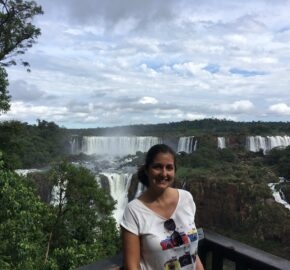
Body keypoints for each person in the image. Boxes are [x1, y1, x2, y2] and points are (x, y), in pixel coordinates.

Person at [121, 144, 204, 270]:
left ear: (174, 171)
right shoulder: (133, 211)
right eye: (157, 167)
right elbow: (132, 266)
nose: (164, 173)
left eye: (169, 167)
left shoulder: (186, 199)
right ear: (147, 170)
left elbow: (192, 251)